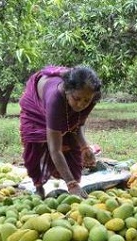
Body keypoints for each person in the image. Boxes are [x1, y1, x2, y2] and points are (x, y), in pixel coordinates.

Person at [19, 65, 102, 199]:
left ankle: (73, 185)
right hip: (37, 106)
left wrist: (85, 147)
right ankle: (39, 187)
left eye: (86, 100)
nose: (81, 104)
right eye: (77, 99)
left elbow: (77, 123)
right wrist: (71, 184)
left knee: (72, 148)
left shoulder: (92, 95)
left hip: (58, 104)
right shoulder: (55, 99)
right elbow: (55, 149)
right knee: (36, 145)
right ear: (67, 91)